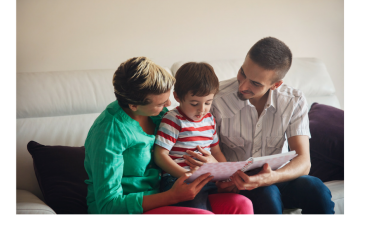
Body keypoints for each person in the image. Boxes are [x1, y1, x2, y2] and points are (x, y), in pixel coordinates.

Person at [183, 37, 335, 215]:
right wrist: (217, 172)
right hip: (237, 182)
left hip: (277, 176)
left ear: (276, 85)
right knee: (267, 194)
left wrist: (271, 177)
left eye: (255, 83)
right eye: (242, 73)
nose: (243, 86)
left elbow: (303, 161)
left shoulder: (293, 100)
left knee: (317, 188)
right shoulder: (216, 99)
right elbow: (204, 149)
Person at [84, 56, 253, 215]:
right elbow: (108, 205)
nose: (168, 105)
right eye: (160, 103)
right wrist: (172, 196)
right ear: (134, 105)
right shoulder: (108, 133)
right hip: (134, 206)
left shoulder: (158, 115)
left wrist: (219, 174)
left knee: (241, 205)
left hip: (171, 193)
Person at [154, 62, 253, 214]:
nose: (201, 109)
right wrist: (185, 175)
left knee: (240, 199)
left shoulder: (209, 119)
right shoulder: (173, 119)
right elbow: (160, 155)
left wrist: (227, 174)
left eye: (208, 102)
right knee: (199, 210)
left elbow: (216, 151)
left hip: (207, 179)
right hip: (179, 179)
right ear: (177, 97)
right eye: (194, 103)